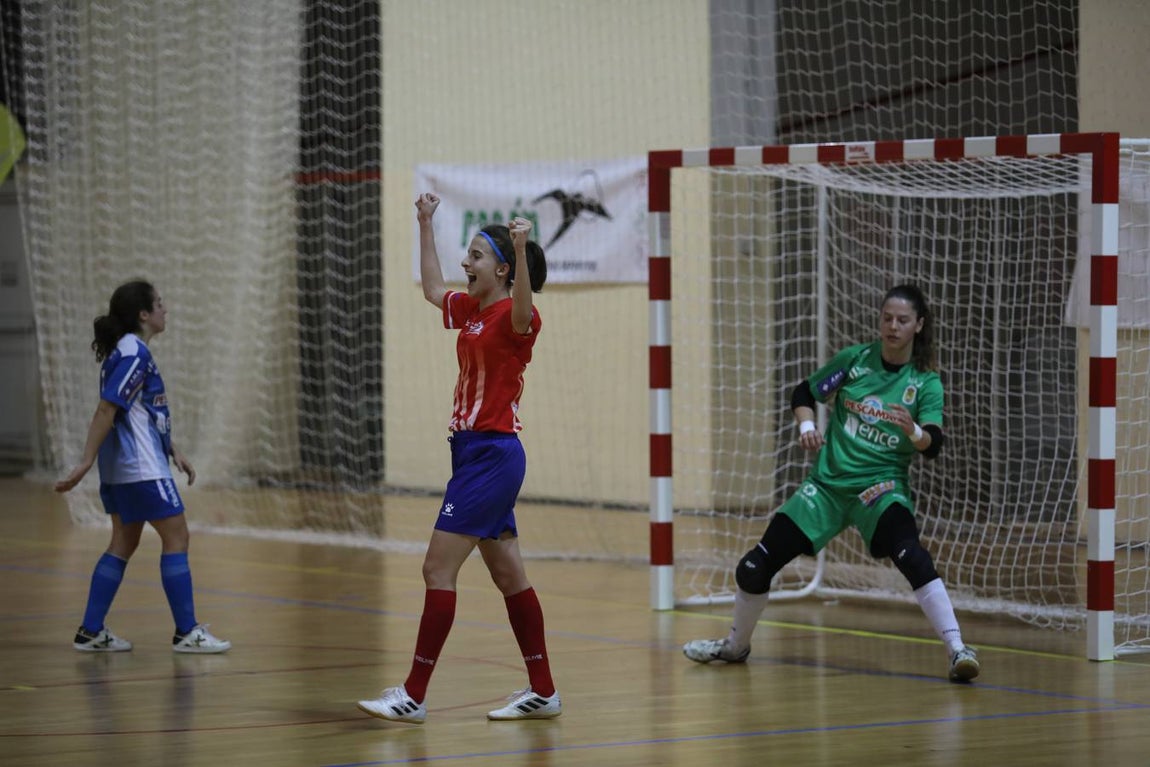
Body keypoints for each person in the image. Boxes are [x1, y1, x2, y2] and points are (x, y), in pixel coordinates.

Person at [682, 284, 980, 683]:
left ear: (919, 325)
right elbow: (804, 392)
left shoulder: (925, 383)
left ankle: (958, 650)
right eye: (887, 318)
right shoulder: (854, 360)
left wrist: (912, 430)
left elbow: (933, 444)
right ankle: (735, 647)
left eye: (902, 320)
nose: (892, 326)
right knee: (753, 568)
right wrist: (807, 426)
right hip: (826, 487)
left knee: (912, 556)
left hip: (879, 490)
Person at [357, 193, 560, 724]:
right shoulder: (473, 310)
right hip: (471, 454)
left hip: (493, 454)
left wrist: (520, 247)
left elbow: (522, 306)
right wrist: (425, 222)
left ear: (502, 269)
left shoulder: (517, 317)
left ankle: (413, 695)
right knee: (509, 578)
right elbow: (430, 289)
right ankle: (543, 690)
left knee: (436, 568)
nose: (465, 264)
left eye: (475, 256)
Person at [56, 280, 231, 655]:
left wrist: (173, 448)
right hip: (141, 469)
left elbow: (140, 413)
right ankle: (187, 632)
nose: (166, 310)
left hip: (124, 469)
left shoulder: (123, 351)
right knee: (177, 537)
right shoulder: (134, 352)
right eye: (160, 304)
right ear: (143, 314)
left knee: (123, 542)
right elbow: (107, 409)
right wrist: (85, 461)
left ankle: (90, 631)